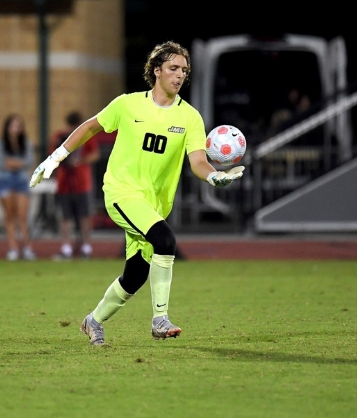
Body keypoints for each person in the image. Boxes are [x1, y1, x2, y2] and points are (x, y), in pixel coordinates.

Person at [30, 41, 244, 345]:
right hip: (121, 192)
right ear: (156, 70)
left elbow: (198, 160)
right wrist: (55, 158)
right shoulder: (128, 104)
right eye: (173, 68)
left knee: (136, 275)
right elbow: (90, 127)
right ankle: (160, 320)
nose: (180, 75)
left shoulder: (190, 117)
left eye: (184, 70)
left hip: (153, 205)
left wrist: (214, 176)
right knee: (165, 240)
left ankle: (93, 321)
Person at [51, 110, 101, 260]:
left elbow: (95, 155)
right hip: (64, 183)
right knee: (65, 216)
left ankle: (86, 246)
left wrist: (80, 161)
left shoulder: (87, 136)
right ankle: (66, 247)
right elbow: (52, 156)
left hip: (82, 182)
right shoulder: (60, 137)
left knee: (85, 216)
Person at [0, 113, 37, 261]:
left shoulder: (26, 143)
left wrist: (13, 163)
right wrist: (19, 163)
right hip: (4, 180)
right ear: (7, 127)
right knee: (10, 216)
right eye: (12, 126)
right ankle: (12, 248)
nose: (15, 129)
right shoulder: (0, 144)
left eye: (18, 126)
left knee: (23, 216)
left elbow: (30, 162)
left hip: (21, 181)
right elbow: (1, 164)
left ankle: (27, 247)